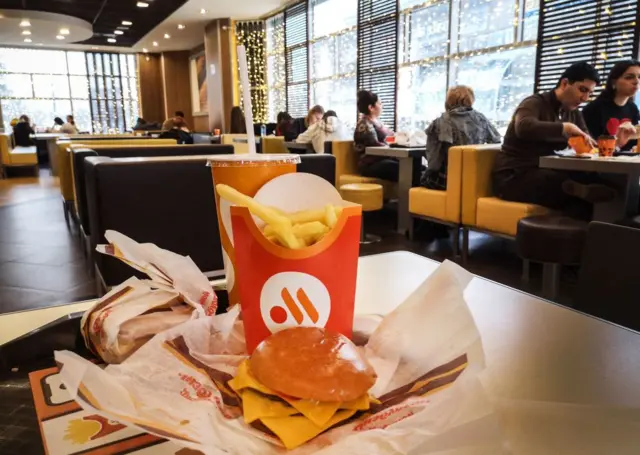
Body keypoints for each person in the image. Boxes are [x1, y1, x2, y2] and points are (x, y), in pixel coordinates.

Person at [492, 62, 615, 219]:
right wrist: (564, 128)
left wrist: (610, 144)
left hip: (545, 171)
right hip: (514, 176)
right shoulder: (534, 102)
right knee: (557, 182)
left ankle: (577, 237)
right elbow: (523, 127)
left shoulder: (574, 113)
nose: (585, 98)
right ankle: (573, 192)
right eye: (582, 90)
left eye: (589, 93)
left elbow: (589, 143)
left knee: (587, 192)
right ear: (564, 83)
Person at [422, 86, 501, 190]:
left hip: (448, 180)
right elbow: (496, 143)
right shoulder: (482, 119)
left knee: (421, 175)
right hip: (476, 179)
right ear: (471, 99)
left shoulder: (439, 123)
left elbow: (433, 163)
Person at [582, 60, 640, 151]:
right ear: (613, 82)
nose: (636, 81)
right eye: (629, 77)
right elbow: (590, 146)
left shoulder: (633, 109)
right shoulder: (595, 108)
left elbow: (633, 145)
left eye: (639, 77)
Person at [353, 90, 399, 181]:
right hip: (370, 164)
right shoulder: (364, 125)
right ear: (371, 107)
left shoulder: (378, 123)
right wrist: (393, 148)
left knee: (415, 167)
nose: (382, 106)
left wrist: (401, 140)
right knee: (402, 168)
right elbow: (375, 145)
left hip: (382, 160)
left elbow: (390, 138)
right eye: (380, 103)